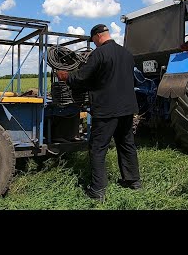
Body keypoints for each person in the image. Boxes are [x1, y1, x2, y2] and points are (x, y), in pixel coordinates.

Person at [57, 24, 141, 202]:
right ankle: (133, 181)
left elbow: (82, 77)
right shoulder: (126, 54)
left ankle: (97, 190)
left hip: (107, 110)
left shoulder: (99, 54)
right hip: (127, 108)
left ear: (97, 36)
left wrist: (66, 77)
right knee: (126, 144)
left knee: (97, 148)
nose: (93, 44)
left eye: (93, 41)